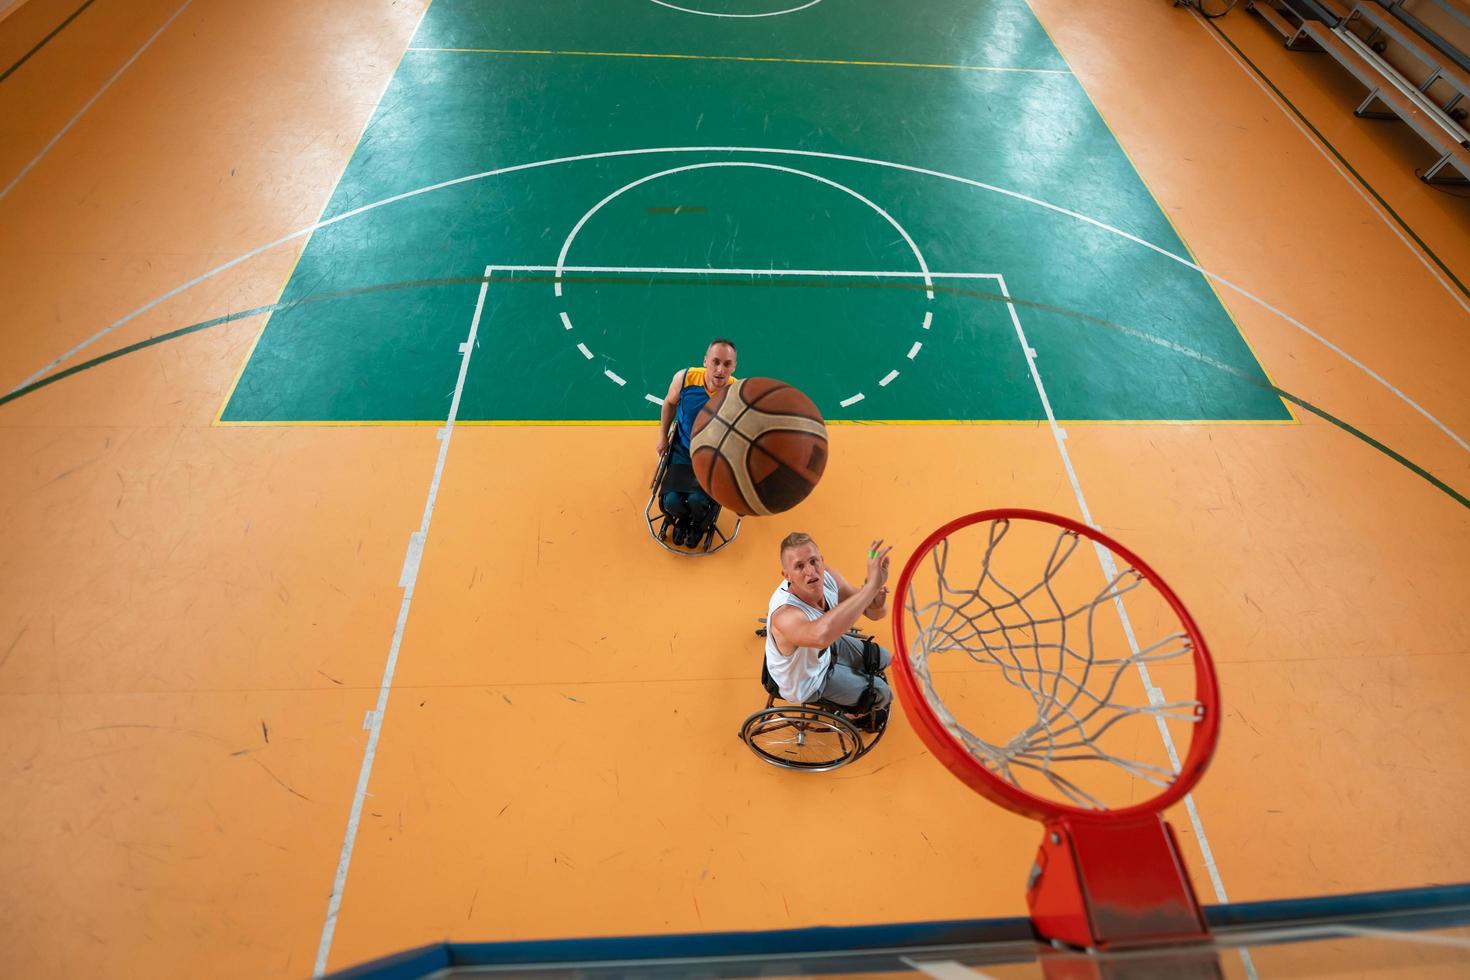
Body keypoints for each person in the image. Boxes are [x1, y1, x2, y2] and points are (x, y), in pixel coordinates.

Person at [765, 532, 893, 722]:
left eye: (813, 561)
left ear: (822, 561)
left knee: (883, 657)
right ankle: (855, 716)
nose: (810, 571)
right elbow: (821, 636)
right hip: (807, 681)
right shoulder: (785, 615)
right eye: (799, 566)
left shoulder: (829, 579)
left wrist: (876, 597)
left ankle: (852, 687)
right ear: (787, 575)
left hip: (824, 652)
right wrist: (869, 588)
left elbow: (875, 614)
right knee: (883, 693)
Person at [654, 339, 737, 547]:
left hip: (712, 456)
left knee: (697, 502)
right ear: (705, 361)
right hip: (682, 449)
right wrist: (663, 435)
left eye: (727, 364)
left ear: (733, 367)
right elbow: (669, 404)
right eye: (715, 362)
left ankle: (699, 524)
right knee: (671, 502)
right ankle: (681, 520)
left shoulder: (737, 393)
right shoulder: (685, 378)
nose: (720, 370)